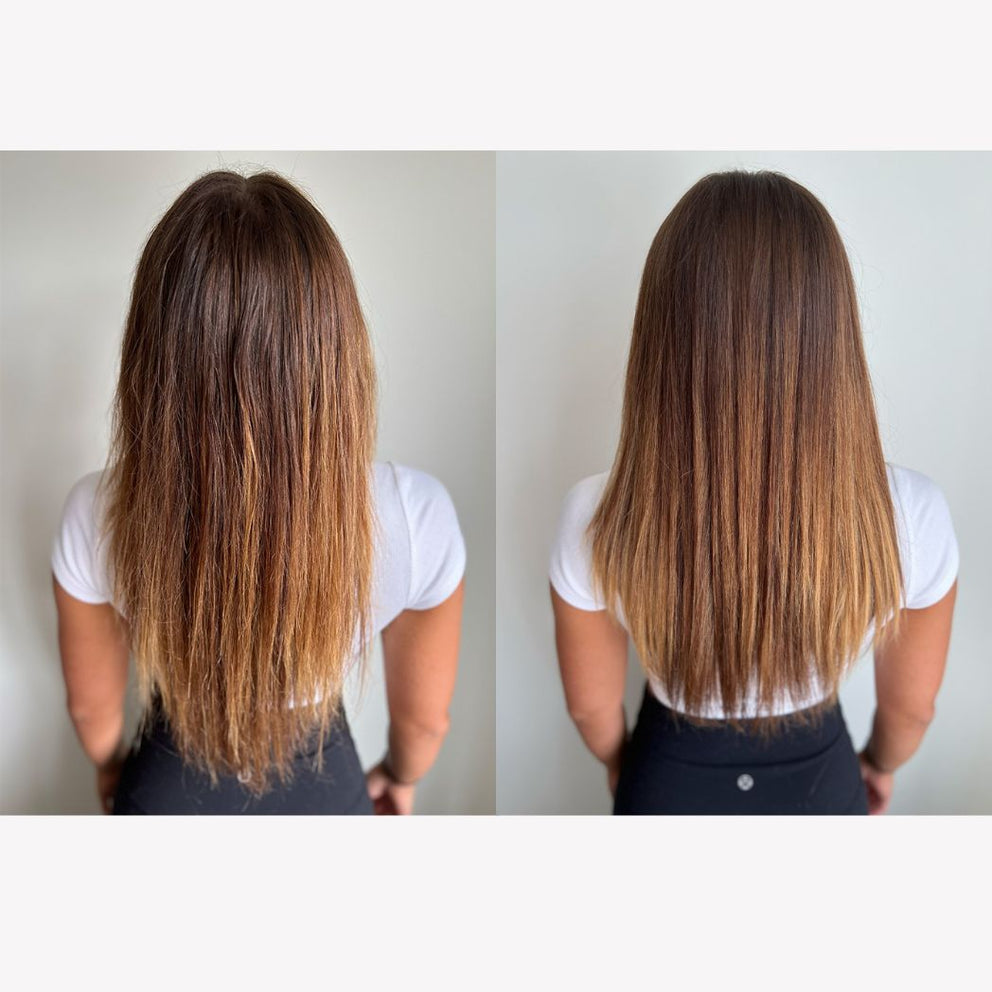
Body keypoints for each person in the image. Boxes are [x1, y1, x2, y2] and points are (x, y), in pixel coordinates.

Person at [52, 170, 466, 815]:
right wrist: (400, 775)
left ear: (151, 359)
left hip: (165, 784)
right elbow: (424, 723)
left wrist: (111, 769)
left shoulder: (95, 511)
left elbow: (91, 709)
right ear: (335, 352)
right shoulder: (415, 515)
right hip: (325, 786)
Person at [549, 170, 958, 815]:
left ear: (661, 333)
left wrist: (622, 766)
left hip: (666, 775)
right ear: (832, 330)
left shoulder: (595, 515)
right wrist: (879, 764)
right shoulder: (911, 514)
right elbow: (913, 708)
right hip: (822, 779)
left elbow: (590, 707)